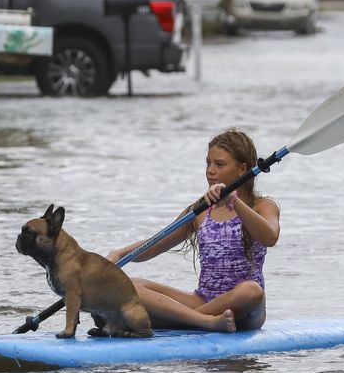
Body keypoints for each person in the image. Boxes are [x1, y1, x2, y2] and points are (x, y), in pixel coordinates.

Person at [107, 129, 280, 333]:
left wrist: (234, 202)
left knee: (251, 290)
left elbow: (270, 237)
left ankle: (176, 321)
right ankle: (203, 321)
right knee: (130, 285)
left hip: (245, 308)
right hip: (203, 300)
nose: (210, 170)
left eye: (219, 164)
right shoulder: (199, 210)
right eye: (208, 163)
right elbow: (155, 244)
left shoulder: (262, 205)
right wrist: (118, 255)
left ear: (242, 169)